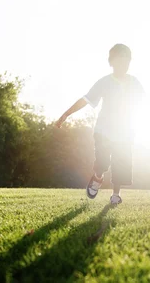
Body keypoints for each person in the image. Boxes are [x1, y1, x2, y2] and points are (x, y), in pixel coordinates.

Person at [55, 44, 145, 205]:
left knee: (121, 163)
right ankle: (97, 177)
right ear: (111, 62)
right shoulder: (104, 82)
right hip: (104, 131)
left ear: (130, 62)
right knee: (102, 162)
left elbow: (145, 103)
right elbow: (86, 99)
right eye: (119, 59)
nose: (123, 63)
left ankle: (116, 194)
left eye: (126, 60)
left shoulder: (134, 82)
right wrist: (66, 114)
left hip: (125, 131)